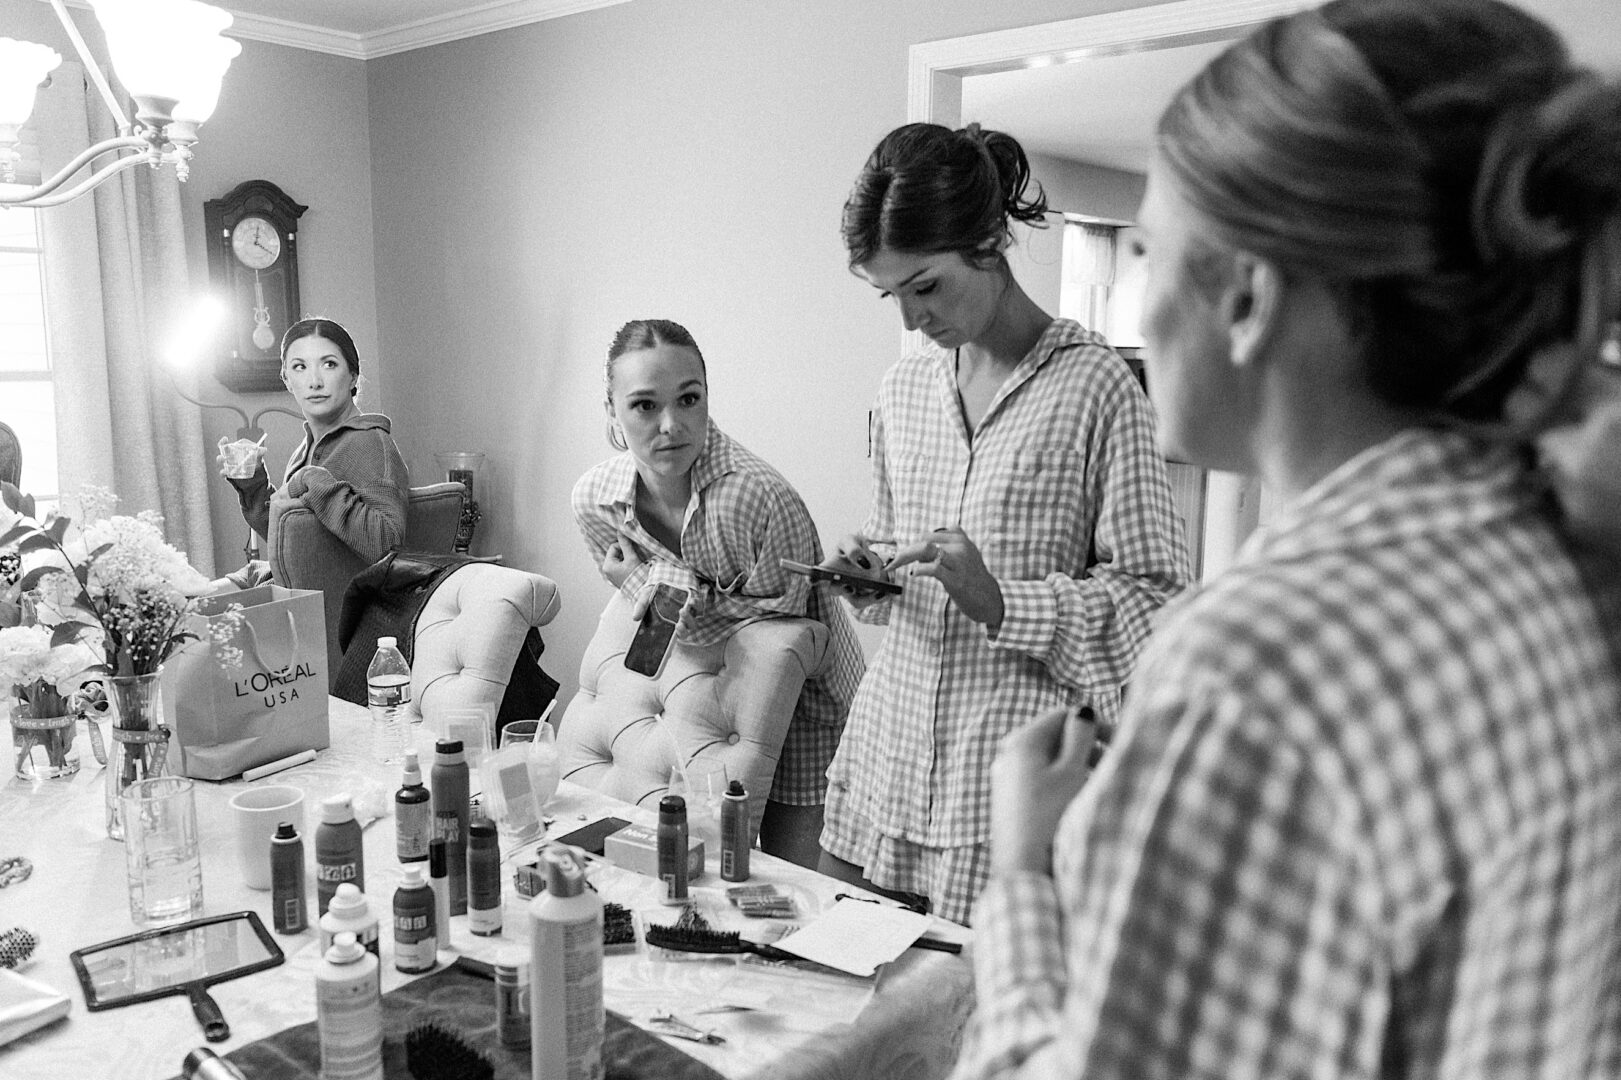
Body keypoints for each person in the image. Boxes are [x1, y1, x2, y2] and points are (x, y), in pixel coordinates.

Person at [955, 1, 1621, 1076]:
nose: (1137, 299)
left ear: (1247, 297)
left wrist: (1025, 878)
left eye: (1153, 251)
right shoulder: (1557, 564)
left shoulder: (1256, 667)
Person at [818, 122, 1190, 926]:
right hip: (882, 772)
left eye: (927, 286)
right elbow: (897, 550)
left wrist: (1000, 602)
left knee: (980, 1037)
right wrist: (869, 578)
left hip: (1007, 797)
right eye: (893, 296)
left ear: (988, 241)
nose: (913, 318)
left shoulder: (1097, 390)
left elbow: (1156, 607)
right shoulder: (902, 388)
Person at [572, 318, 866, 866]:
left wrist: (648, 584)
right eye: (643, 405)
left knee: (794, 878)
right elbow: (676, 633)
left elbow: (771, 645)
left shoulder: (761, 500)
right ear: (610, 409)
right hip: (702, 701)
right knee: (701, 874)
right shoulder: (596, 502)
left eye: (689, 399)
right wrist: (650, 590)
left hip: (810, 708)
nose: (671, 425)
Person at [217, 317, 409, 588]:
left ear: (353, 375)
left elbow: (387, 545)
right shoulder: (305, 450)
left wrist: (310, 479)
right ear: (287, 379)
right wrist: (254, 487)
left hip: (340, 611)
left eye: (329, 364)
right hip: (300, 592)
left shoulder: (370, 443)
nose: (315, 381)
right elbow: (289, 540)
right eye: (300, 367)